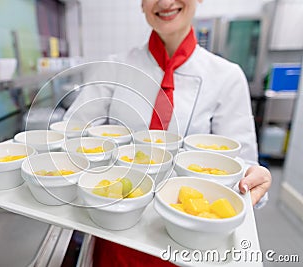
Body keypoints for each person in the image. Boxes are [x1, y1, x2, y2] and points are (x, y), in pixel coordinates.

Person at [61, 0, 272, 266]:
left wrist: (255, 178)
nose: (165, 2)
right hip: (116, 232)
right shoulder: (113, 67)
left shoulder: (227, 77)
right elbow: (69, 138)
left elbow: (241, 167)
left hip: (191, 242)